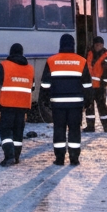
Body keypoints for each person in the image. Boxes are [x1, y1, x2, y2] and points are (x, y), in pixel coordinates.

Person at [40, 33, 93, 165]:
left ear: (61, 45)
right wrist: (88, 101)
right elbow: (87, 85)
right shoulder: (81, 61)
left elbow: (45, 84)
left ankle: (59, 158)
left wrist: (45, 100)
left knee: (59, 129)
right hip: (76, 104)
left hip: (57, 104)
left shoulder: (51, 61)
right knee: (74, 129)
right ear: (73, 45)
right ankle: (74, 158)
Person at [0, 43, 34, 166]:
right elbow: (33, 87)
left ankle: (9, 156)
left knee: (6, 131)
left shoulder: (5, 65)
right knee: (18, 132)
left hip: (8, 105)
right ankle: (16, 157)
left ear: (10, 53)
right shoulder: (30, 68)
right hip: (23, 106)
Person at [83, 36, 107, 133]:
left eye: (100, 45)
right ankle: (90, 126)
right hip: (89, 85)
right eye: (97, 45)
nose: (98, 46)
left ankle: (105, 125)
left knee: (101, 106)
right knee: (89, 106)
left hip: (100, 86)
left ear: (102, 45)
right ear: (94, 45)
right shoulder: (89, 53)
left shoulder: (106, 56)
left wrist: (104, 83)